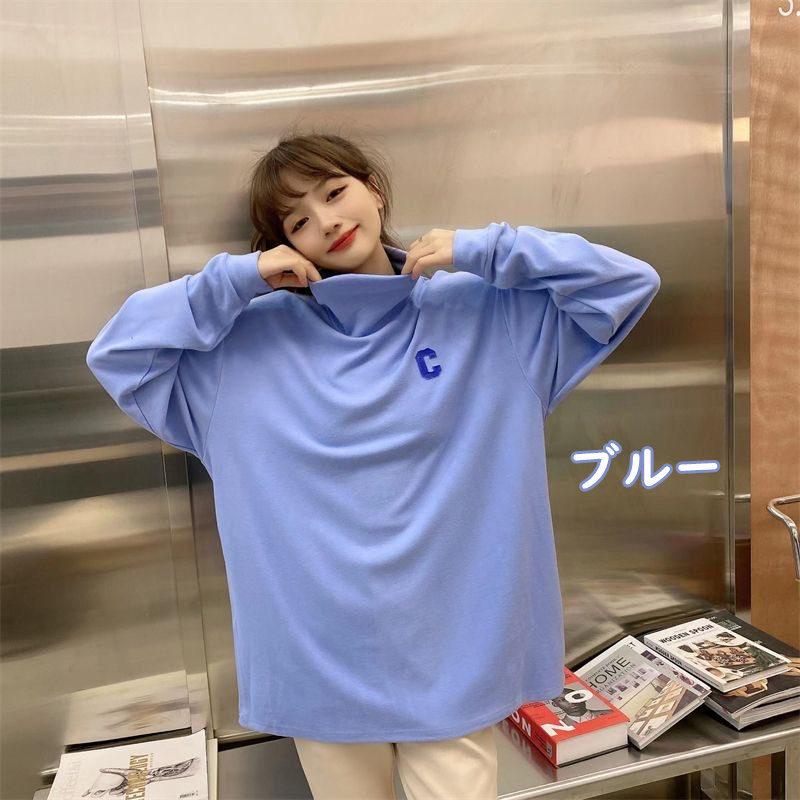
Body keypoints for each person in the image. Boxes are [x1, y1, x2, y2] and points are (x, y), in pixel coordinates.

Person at [86, 130, 661, 799]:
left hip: (454, 658)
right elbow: (118, 354)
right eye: (298, 221)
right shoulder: (241, 350)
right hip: (317, 660)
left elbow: (626, 285)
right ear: (283, 245)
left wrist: (487, 249)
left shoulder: (484, 313)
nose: (326, 221)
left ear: (375, 190)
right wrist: (237, 280)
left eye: (335, 193)